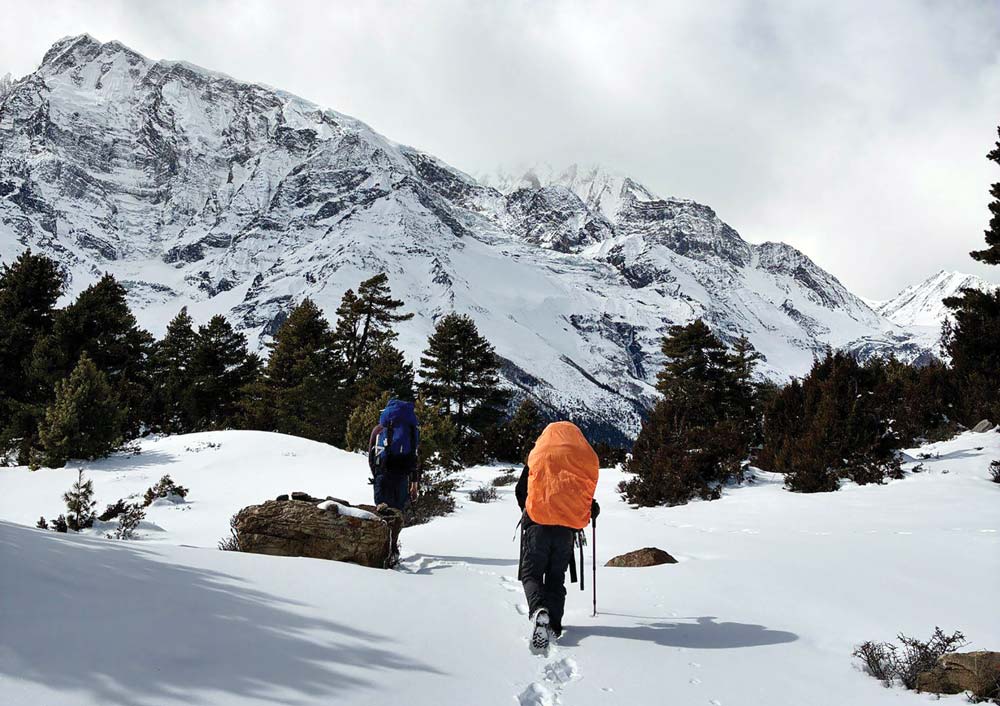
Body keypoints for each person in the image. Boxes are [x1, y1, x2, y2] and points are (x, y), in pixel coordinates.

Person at [515, 421, 600, 653]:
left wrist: (529, 510)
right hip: (566, 531)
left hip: (537, 525)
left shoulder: (539, 455)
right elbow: (582, 494)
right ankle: (553, 625)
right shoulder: (580, 460)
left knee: (531, 573)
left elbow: (521, 490)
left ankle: (538, 610)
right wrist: (590, 509)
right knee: (555, 578)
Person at [369, 399, 420, 512]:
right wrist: (414, 484)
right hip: (402, 477)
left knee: (382, 512)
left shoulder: (379, 429)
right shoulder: (412, 431)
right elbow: (414, 457)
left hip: (382, 474)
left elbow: (371, 457)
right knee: (397, 512)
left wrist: (376, 475)